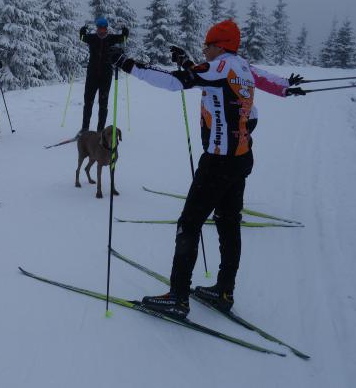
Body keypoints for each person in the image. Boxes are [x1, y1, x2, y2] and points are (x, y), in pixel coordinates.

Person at [112, 19, 266, 319]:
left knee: (189, 225)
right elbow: (244, 108)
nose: (204, 49)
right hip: (241, 158)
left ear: (219, 46)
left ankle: (177, 297)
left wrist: (126, 64)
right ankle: (224, 291)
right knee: (228, 224)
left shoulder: (219, 67)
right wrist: (186, 61)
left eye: (207, 45)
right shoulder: (241, 69)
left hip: (218, 162)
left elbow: (176, 82)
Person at [79, 17, 128, 134]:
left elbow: (124, 38)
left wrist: (124, 29)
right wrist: (83, 28)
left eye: (104, 28)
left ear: (106, 28)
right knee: (88, 102)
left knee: (103, 104)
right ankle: (85, 128)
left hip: (106, 75)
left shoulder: (111, 38)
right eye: (100, 28)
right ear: (97, 28)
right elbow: (82, 37)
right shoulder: (92, 38)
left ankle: (100, 130)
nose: (102, 30)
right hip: (92, 75)